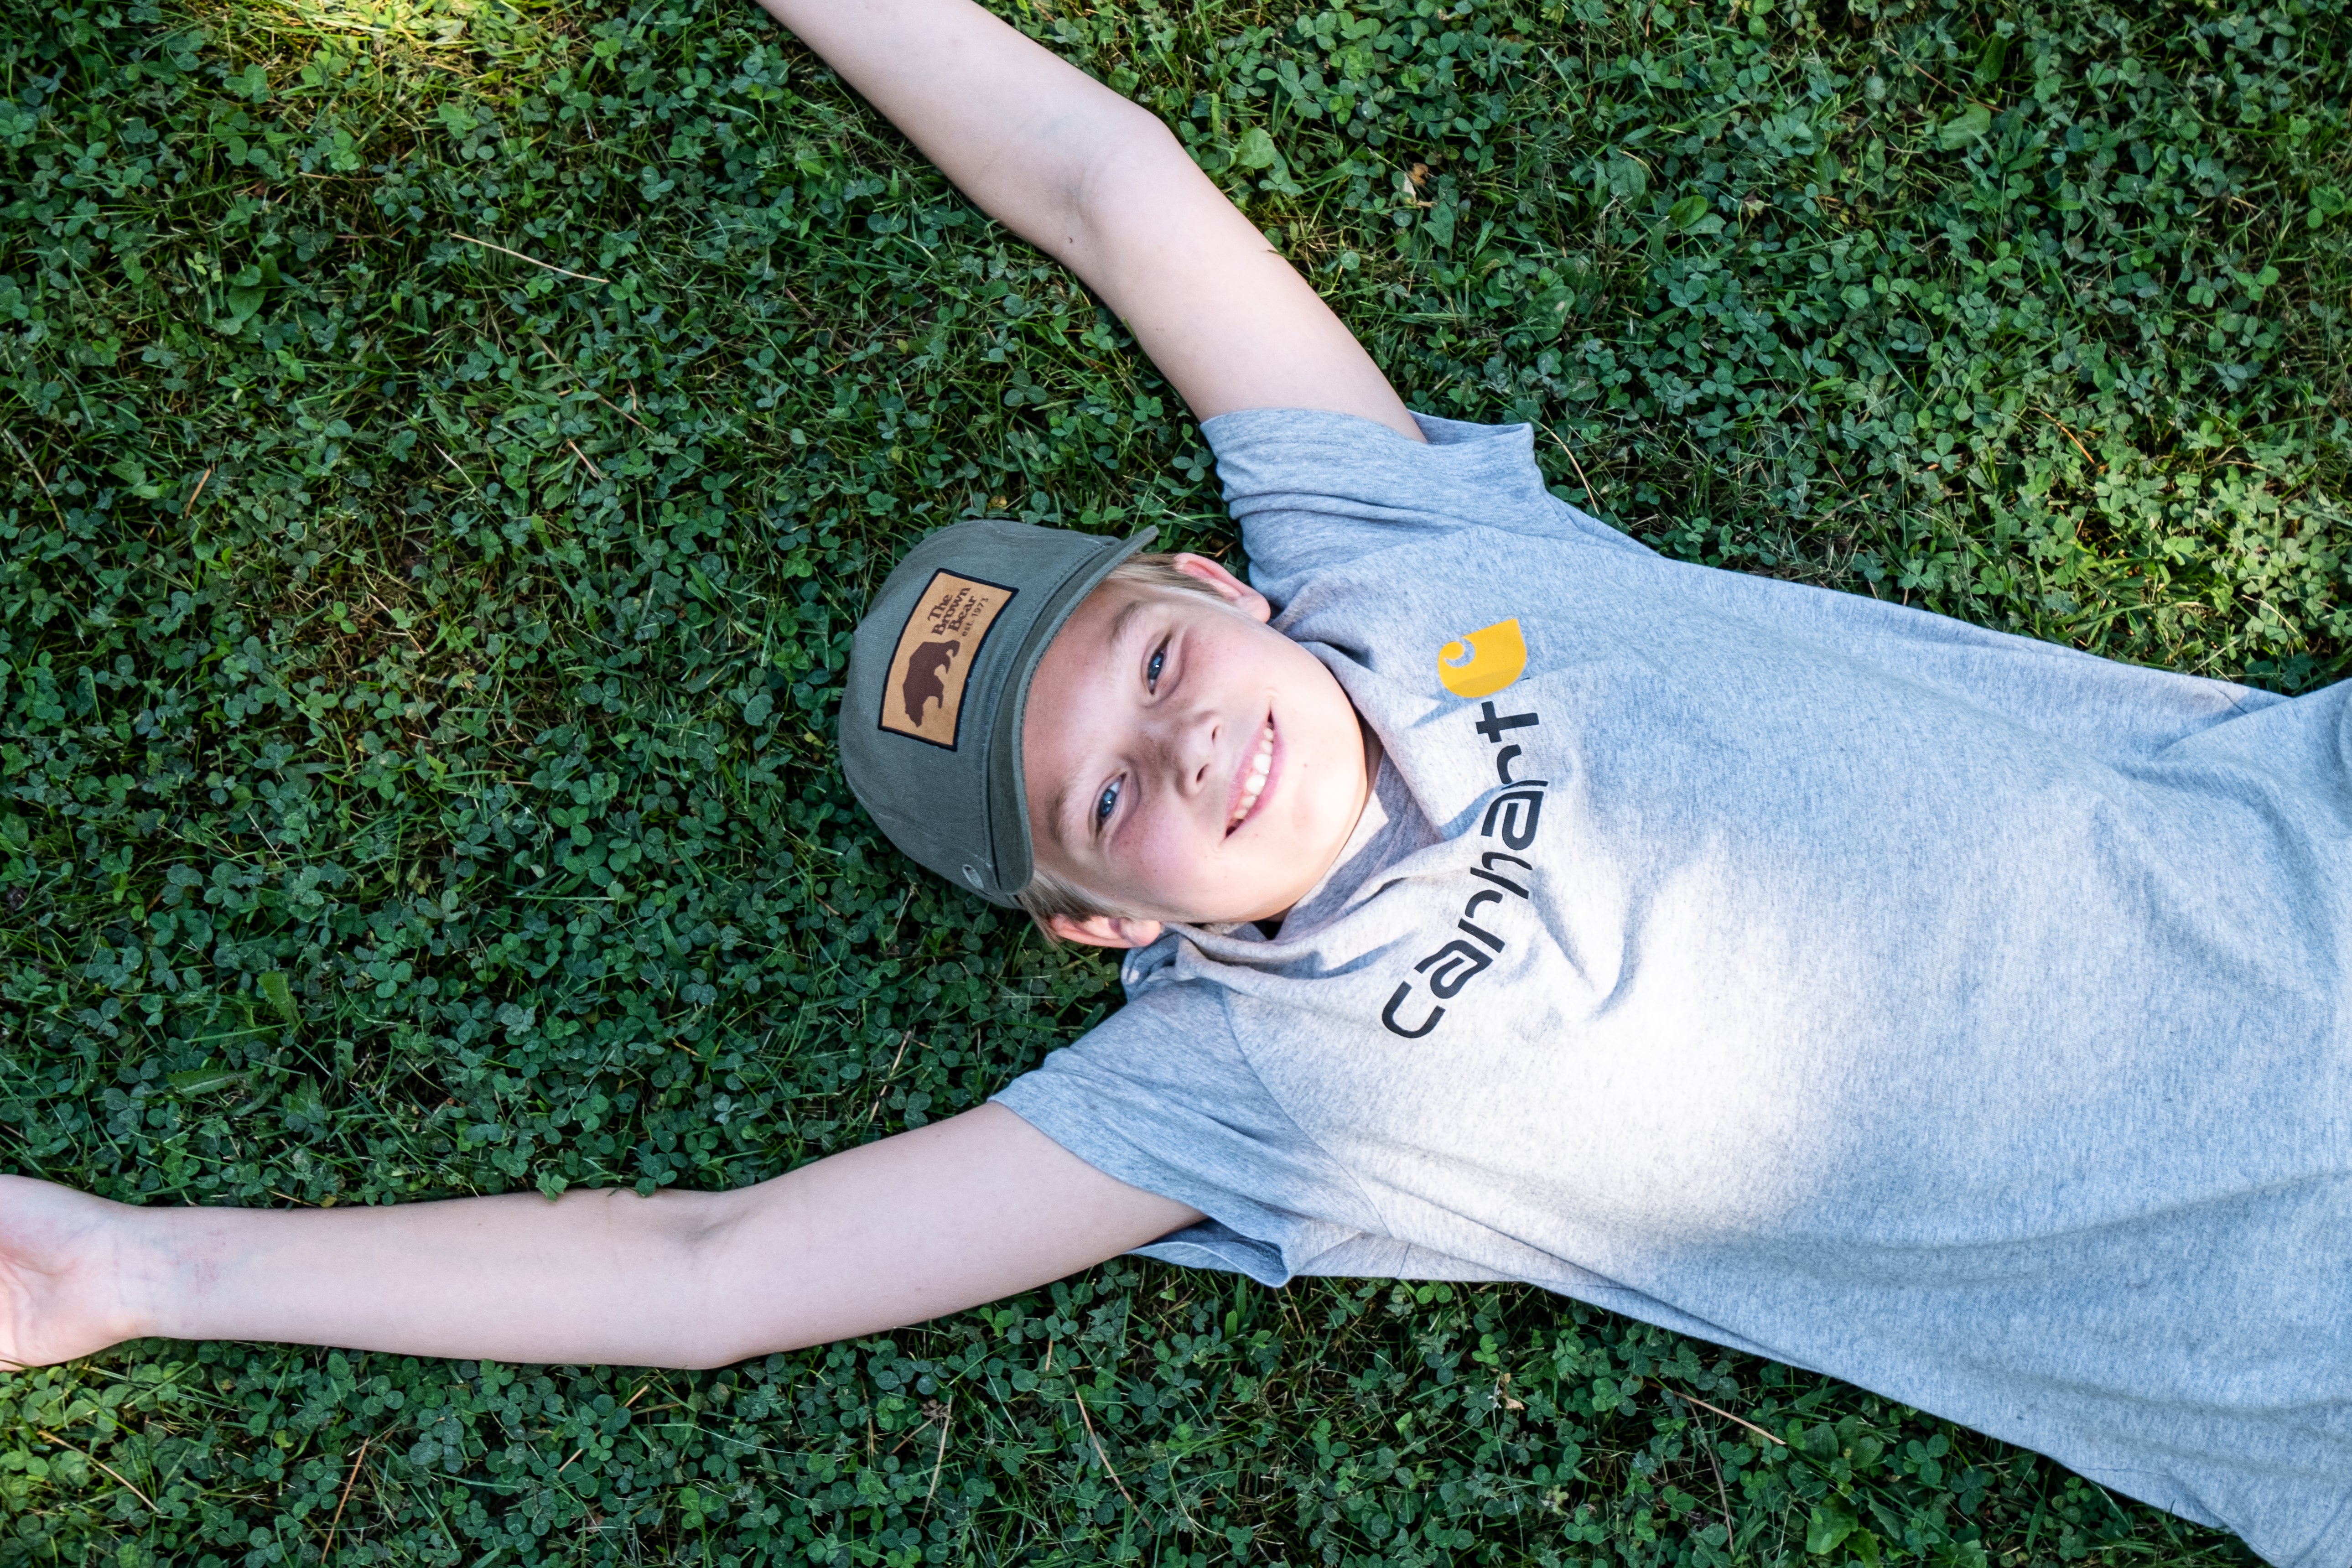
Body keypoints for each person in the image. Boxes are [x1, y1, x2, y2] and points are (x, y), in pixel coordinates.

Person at [3, 0, 2348, 1563]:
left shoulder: (1400, 551)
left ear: (1219, 581)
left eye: (1147, 660)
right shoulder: (1241, 1080)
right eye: (1109, 802)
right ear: (1102, 922)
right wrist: (142, 1265)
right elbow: (712, 1269)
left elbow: (1105, 183)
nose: (1185, 744)